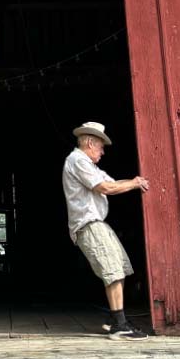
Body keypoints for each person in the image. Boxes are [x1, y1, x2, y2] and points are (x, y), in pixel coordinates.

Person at [63, 121, 149, 341]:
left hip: (96, 222)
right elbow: (105, 188)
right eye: (101, 147)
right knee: (112, 270)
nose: (102, 152)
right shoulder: (77, 160)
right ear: (90, 142)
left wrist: (132, 182)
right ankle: (120, 326)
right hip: (88, 223)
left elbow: (112, 182)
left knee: (118, 266)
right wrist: (135, 184)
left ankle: (116, 319)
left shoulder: (89, 165)